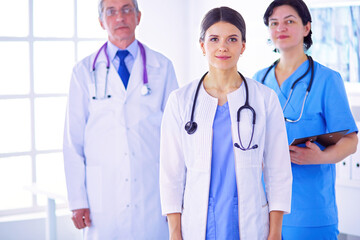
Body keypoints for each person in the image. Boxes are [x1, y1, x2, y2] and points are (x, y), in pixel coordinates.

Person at [159, 6, 292, 240]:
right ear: (202, 45)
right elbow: (171, 174)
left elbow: (278, 170)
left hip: (250, 224)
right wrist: (174, 233)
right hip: (197, 225)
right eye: (214, 39)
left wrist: (275, 233)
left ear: (243, 46)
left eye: (232, 39)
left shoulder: (265, 99)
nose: (223, 46)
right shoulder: (180, 101)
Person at [63, 0, 178, 238]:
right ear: (101, 21)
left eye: (127, 9)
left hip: (152, 194)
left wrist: (177, 196)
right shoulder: (83, 71)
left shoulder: (162, 66)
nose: (120, 17)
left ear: (138, 16)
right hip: (102, 197)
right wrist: (77, 199)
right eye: (111, 11)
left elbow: (175, 137)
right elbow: (73, 142)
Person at [253, 0, 358, 239]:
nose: (281, 28)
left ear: (306, 28)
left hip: (310, 211)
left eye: (289, 21)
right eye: (274, 23)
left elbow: (350, 140)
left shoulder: (327, 80)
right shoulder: (258, 81)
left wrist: (320, 156)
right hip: (264, 209)